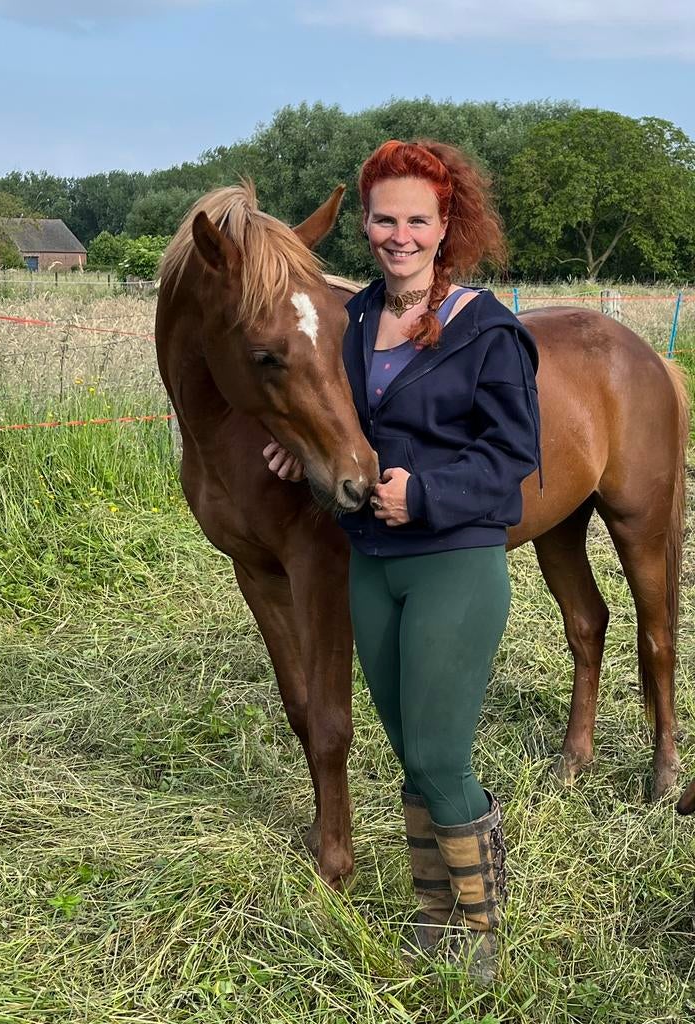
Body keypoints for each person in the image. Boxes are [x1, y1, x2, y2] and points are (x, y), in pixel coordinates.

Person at [263, 139, 541, 985]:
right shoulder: (351, 324)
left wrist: (423, 495)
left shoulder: (485, 328)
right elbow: (339, 422)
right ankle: (435, 916)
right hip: (372, 563)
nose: (399, 233)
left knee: (439, 756)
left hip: (452, 559)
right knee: (407, 751)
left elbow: (513, 455)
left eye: (417, 218)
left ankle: (482, 934)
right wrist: (297, 453)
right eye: (384, 217)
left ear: (445, 222)